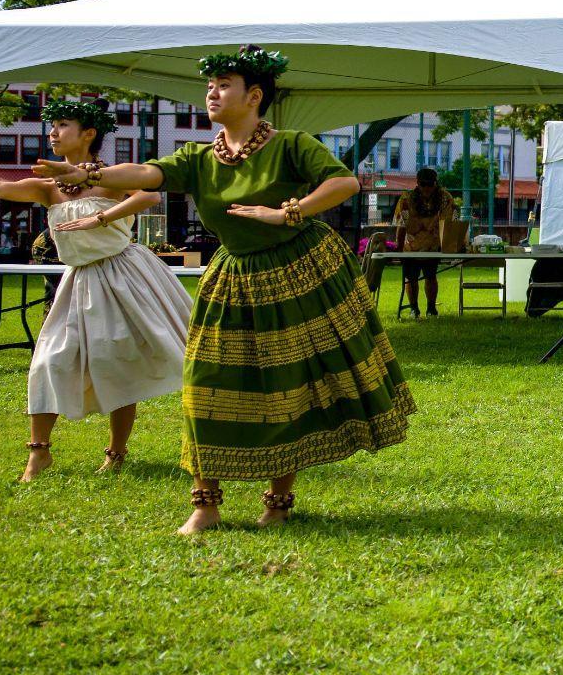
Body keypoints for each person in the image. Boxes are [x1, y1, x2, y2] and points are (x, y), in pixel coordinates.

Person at [35, 45, 412, 534]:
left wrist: (285, 212)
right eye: (209, 86)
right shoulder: (197, 157)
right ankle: (205, 504)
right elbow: (149, 174)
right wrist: (90, 173)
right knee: (204, 383)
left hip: (298, 272)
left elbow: (343, 184)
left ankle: (277, 502)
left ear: (254, 96)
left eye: (224, 85)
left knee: (284, 387)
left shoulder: (291, 144)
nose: (212, 93)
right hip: (232, 274)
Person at [0, 99, 186, 482]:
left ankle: (116, 454)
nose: (53, 132)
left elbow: (149, 195)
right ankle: (39, 453)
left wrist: (101, 216)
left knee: (120, 363)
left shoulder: (112, 176)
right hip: (79, 280)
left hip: (124, 275)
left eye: (63, 125)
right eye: (52, 125)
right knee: (48, 360)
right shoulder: (49, 188)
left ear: (88, 134)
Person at [391, 166, 456, 317]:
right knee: (411, 278)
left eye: (430, 184)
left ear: (436, 183)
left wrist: (451, 246)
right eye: (423, 184)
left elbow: (449, 223)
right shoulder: (407, 199)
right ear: (418, 183)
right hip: (411, 247)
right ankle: (414, 308)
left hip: (433, 247)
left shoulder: (445, 198)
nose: (427, 188)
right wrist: (399, 250)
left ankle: (431, 309)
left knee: (431, 277)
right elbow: (401, 226)